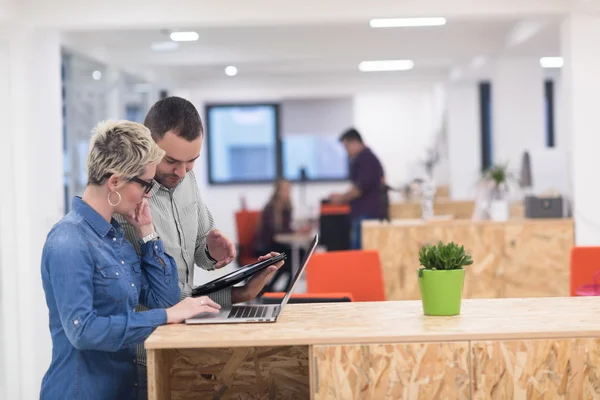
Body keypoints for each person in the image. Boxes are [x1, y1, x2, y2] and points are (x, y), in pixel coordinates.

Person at [40, 120, 223, 400]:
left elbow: (164, 300)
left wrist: (147, 233)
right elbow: (84, 332)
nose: (148, 194)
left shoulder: (116, 237)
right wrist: (165, 317)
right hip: (81, 392)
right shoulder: (68, 240)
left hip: (123, 388)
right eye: (146, 185)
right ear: (114, 181)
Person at [117, 97, 285, 397]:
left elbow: (199, 249)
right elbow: (152, 293)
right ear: (147, 143)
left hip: (181, 337)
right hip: (143, 352)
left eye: (191, 160)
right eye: (171, 161)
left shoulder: (187, 180)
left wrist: (211, 251)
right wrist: (237, 295)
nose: (182, 172)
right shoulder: (127, 201)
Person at [328, 128, 386, 249]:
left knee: (360, 252)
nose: (346, 151)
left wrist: (341, 198)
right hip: (364, 214)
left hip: (366, 215)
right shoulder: (364, 159)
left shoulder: (366, 159)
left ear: (354, 142)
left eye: (346, 146)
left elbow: (360, 188)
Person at [254, 179, 308, 292]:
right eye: (284, 190)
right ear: (277, 192)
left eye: (289, 190)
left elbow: (285, 229)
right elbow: (274, 232)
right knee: (290, 259)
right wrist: (294, 232)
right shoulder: (270, 208)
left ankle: (274, 289)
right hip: (265, 246)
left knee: (299, 255)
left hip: (277, 245)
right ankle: (275, 290)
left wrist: (296, 231)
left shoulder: (287, 208)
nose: (287, 193)